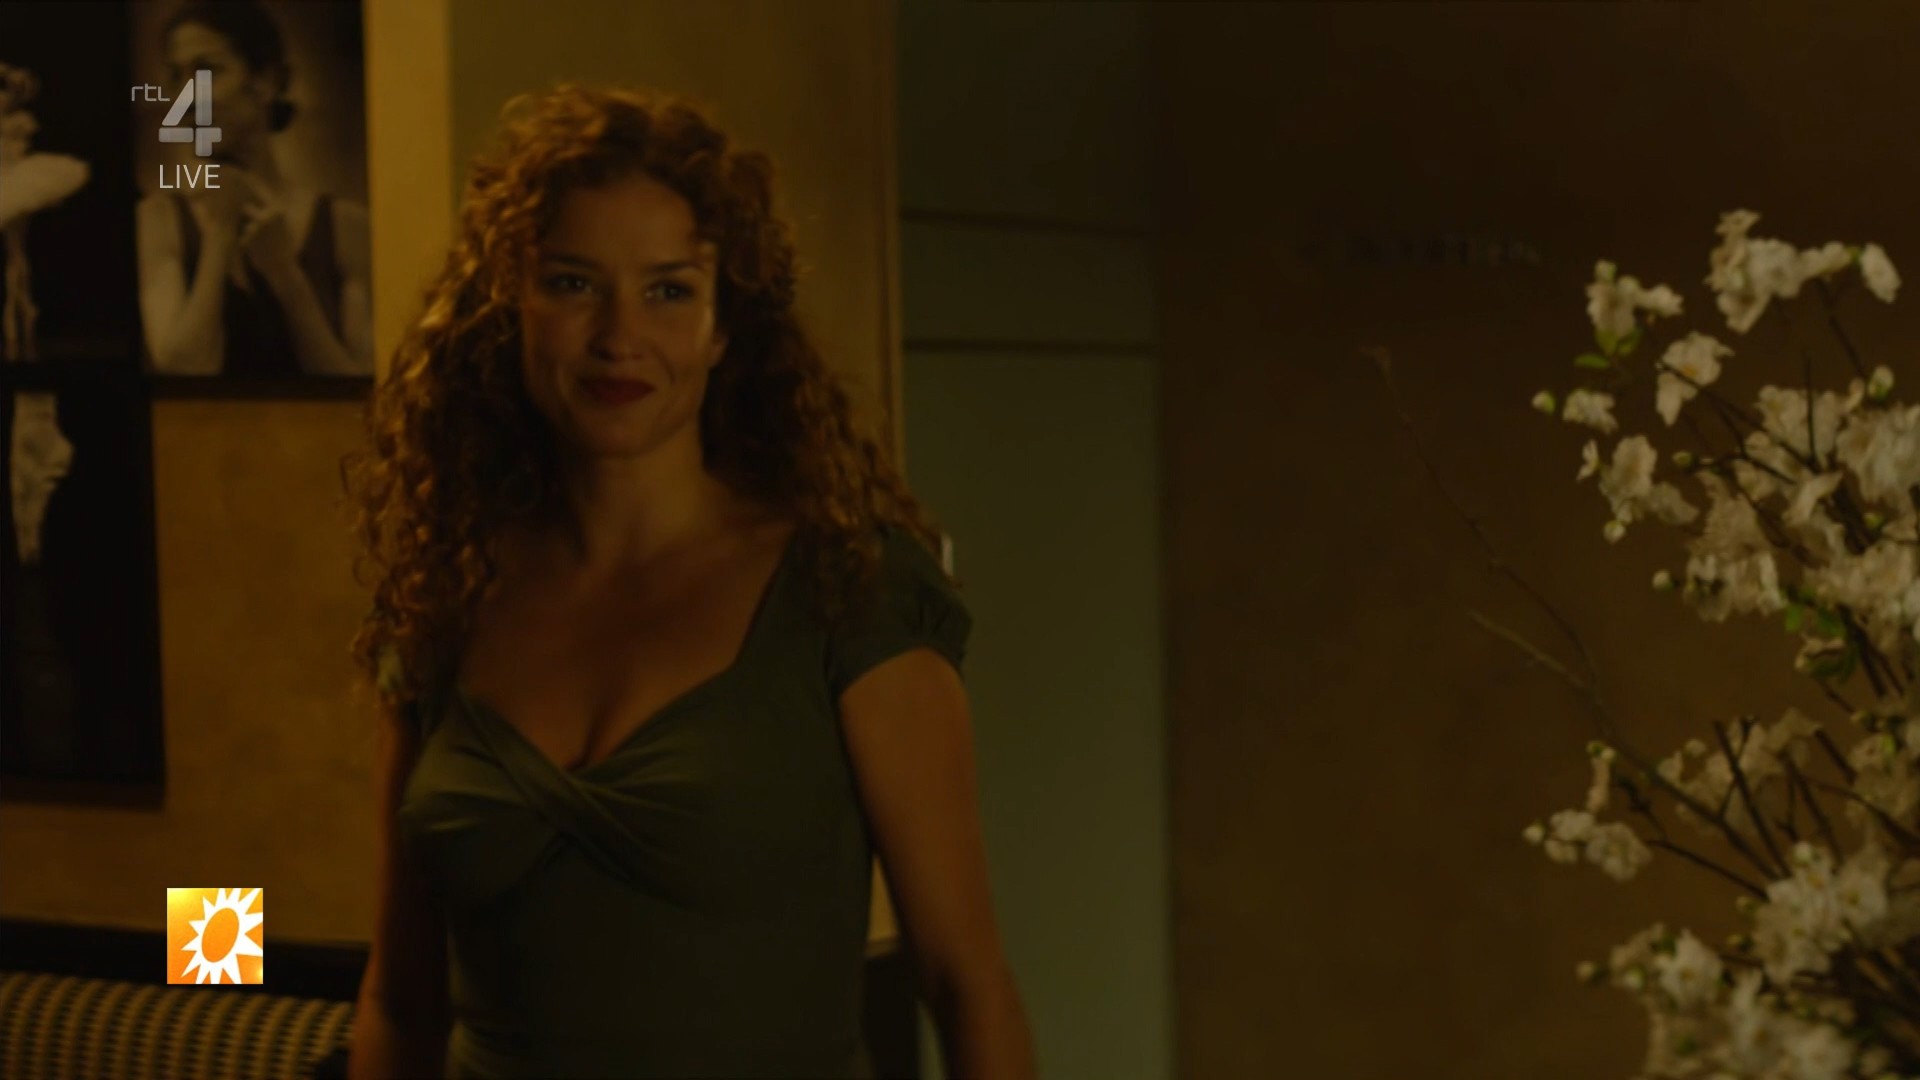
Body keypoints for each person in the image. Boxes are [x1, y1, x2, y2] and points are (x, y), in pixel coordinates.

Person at [337, 83, 1038, 1079]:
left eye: (667, 290)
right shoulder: (447, 594)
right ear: (510, 309)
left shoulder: (846, 588)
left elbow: (968, 984)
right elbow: (399, 1003)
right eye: (573, 283)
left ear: (722, 329)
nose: (618, 336)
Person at [136, 0, 372, 377]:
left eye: (206, 71)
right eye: (176, 76)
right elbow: (184, 370)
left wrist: (286, 275)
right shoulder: (159, 221)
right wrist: (220, 236)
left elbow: (359, 390)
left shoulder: (345, 225)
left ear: (266, 82)